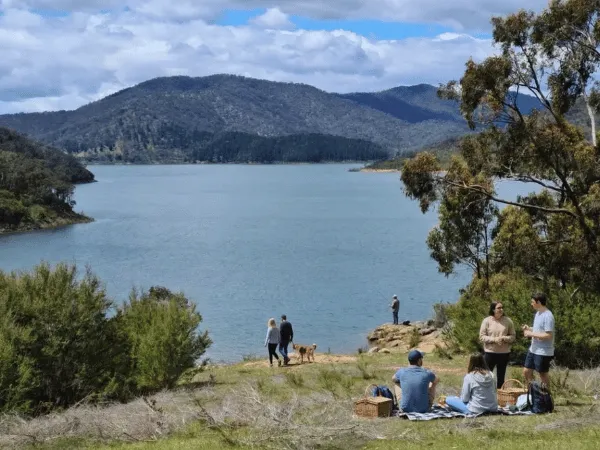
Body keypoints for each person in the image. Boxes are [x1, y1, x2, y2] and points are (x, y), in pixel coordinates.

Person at [479, 301, 516, 388]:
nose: (501, 309)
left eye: (502, 307)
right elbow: (482, 337)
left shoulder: (508, 321)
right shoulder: (486, 321)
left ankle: (500, 398)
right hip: (490, 353)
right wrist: (494, 340)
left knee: (501, 378)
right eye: (499, 308)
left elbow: (513, 336)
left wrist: (504, 338)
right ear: (493, 309)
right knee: (487, 376)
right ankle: (486, 396)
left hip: (504, 354)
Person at [522, 292, 555, 386]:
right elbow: (539, 330)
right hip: (533, 349)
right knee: (526, 371)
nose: (531, 304)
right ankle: (533, 392)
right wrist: (529, 328)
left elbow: (548, 335)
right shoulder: (538, 313)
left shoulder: (548, 316)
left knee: (542, 374)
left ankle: (546, 396)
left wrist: (530, 334)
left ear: (539, 302)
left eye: (532, 302)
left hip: (543, 351)